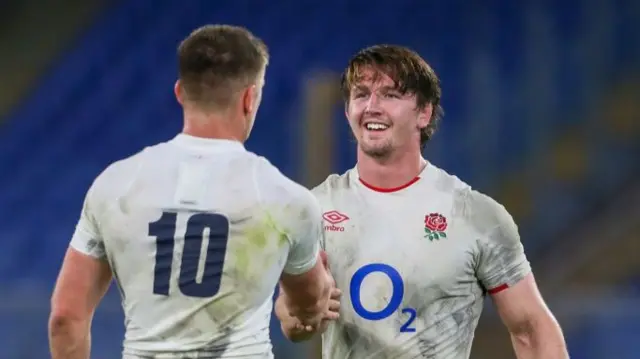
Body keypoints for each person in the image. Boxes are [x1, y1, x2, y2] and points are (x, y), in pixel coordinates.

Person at [48, 24, 334, 359]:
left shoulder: (116, 185)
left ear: (180, 92)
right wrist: (300, 308)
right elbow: (310, 305)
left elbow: (65, 318)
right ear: (249, 98)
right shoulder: (286, 198)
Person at [275, 44, 569, 358]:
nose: (372, 106)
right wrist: (302, 314)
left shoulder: (475, 216)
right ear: (348, 111)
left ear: (424, 113)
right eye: (361, 95)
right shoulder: (315, 209)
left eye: (390, 95)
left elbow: (531, 328)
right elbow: (289, 316)